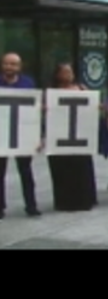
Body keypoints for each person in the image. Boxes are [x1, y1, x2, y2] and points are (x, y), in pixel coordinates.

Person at [46, 63, 98, 211]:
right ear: (57, 74)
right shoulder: (52, 92)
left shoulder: (82, 89)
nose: (68, 75)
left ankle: (85, 200)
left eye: (70, 72)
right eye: (64, 72)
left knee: (81, 168)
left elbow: (92, 109)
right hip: (60, 136)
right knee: (62, 169)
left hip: (80, 135)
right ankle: (64, 202)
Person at [0, 52, 41, 219]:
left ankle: (31, 205)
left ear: (19, 67)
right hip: (2, 132)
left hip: (22, 133)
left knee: (26, 171)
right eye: (6, 64)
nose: (9, 67)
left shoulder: (28, 83)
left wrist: (38, 135)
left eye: (13, 64)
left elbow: (34, 111)